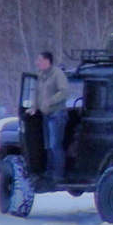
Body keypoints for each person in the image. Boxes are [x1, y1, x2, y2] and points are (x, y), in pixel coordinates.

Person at [31, 51, 75, 182]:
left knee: (55, 145)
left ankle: (58, 175)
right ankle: (49, 173)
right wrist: (34, 108)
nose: (37, 63)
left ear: (47, 61)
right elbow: (37, 94)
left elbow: (64, 91)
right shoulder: (41, 76)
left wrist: (49, 101)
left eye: (39, 60)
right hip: (46, 115)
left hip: (57, 114)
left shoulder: (57, 74)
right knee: (48, 145)